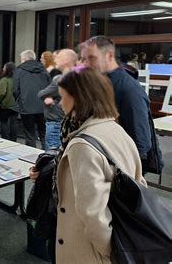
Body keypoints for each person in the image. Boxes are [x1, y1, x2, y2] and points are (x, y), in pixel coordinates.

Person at [54, 66, 146, 263]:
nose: (60, 104)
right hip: (124, 234)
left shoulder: (82, 145)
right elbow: (139, 182)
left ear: (80, 97)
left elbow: (93, 213)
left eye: (63, 97)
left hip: (88, 251)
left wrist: (108, 250)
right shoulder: (115, 129)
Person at [81, 36, 154, 172]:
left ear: (109, 56)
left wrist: (119, 172)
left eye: (91, 58)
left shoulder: (129, 90)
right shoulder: (100, 83)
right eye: (84, 59)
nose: (85, 64)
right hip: (99, 161)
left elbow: (141, 142)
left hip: (118, 170)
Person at [38, 49, 77, 150]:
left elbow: (41, 93)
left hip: (57, 120)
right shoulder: (74, 77)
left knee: (52, 153)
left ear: (66, 59)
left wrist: (52, 100)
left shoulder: (61, 79)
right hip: (65, 122)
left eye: (57, 57)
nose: (54, 60)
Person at [13, 50, 51, 149]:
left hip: (26, 106)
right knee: (43, 133)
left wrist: (20, 100)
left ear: (24, 59)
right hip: (43, 106)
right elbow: (49, 86)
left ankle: (32, 157)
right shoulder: (43, 69)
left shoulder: (19, 70)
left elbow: (15, 90)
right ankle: (47, 156)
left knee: (30, 134)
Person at [0, 62, 18, 141]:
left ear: (7, 69)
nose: (3, 69)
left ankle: (5, 140)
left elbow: (2, 93)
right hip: (15, 104)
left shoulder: (4, 80)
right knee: (14, 123)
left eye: (4, 67)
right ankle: (14, 140)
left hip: (5, 105)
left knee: (4, 122)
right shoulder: (17, 79)